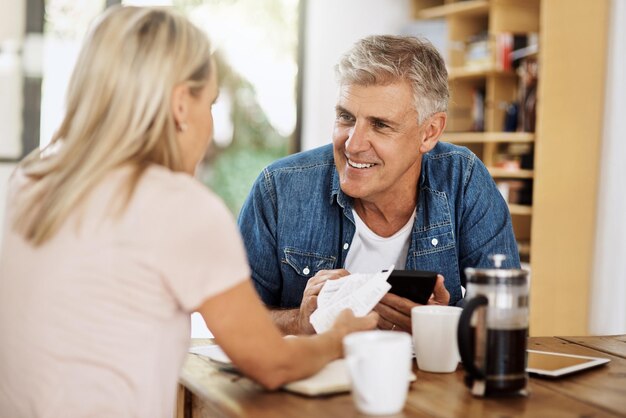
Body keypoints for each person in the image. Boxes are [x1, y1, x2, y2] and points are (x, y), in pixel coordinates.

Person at [0, 6, 377, 417]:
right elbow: (272, 364)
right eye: (211, 103)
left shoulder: (29, 181)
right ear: (182, 104)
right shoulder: (177, 206)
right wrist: (338, 335)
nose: (210, 126)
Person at [238, 35, 520, 335]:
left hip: (428, 380)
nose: (353, 144)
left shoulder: (462, 180)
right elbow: (235, 320)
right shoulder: (279, 188)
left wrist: (440, 324)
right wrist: (300, 321)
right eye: (346, 117)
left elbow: (506, 314)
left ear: (429, 132)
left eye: (381, 125)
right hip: (313, 379)